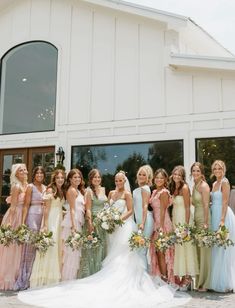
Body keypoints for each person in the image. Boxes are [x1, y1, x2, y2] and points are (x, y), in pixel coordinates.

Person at [18, 172, 191, 308]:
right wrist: (109, 220)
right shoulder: (112, 193)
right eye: (116, 180)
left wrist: (118, 220)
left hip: (125, 226)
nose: (118, 183)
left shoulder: (129, 194)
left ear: (125, 181)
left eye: (121, 180)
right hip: (113, 230)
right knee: (112, 253)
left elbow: (130, 211)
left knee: (127, 255)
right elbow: (107, 208)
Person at [29, 169, 66, 287]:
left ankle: (55, 275)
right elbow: (46, 208)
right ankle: (45, 277)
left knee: (57, 247)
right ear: (54, 179)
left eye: (62, 178)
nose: (60, 180)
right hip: (51, 220)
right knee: (52, 245)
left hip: (59, 219)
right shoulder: (51, 189)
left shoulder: (61, 190)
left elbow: (60, 206)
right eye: (58, 178)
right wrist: (45, 225)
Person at [15, 166, 46, 290]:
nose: (39, 174)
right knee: (29, 248)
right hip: (32, 216)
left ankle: (35, 278)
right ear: (34, 175)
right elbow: (26, 206)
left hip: (42, 217)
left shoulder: (45, 188)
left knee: (39, 248)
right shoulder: (30, 187)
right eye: (37, 172)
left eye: (41, 172)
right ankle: (24, 279)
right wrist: (23, 223)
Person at [169, 165, 198, 290]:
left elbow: (187, 208)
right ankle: (182, 276)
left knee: (186, 248)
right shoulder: (173, 187)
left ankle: (188, 278)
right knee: (179, 248)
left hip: (184, 219)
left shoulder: (185, 188)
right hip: (176, 218)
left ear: (182, 177)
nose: (177, 176)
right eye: (175, 174)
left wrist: (186, 227)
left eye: (179, 175)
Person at [0, 163, 28, 290]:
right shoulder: (16, 186)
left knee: (21, 248)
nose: (24, 172)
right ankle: (9, 278)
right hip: (16, 215)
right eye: (21, 171)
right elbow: (13, 207)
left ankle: (20, 276)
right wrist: (10, 223)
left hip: (24, 215)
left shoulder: (27, 185)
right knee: (13, 248)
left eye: (25, 170)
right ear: (16, 174)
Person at [210, 160, 235, 292]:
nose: (217, 171)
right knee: (216, 248)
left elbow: (225, 202)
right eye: (215, 168)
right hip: (214, 215)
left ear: (223, 170)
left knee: (224, 249)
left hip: (223, 216)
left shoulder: (225, 182)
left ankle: (226, 283)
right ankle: (217, 279)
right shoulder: (214, 183)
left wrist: (222, 221)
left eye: (219, 168)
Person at [78, 169, 108, 278]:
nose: (97, 179)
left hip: (102, 223)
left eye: (99, 177)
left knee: (101, 247)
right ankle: (91, 274)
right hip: (93, 222)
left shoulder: (103, 189)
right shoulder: (88, 191)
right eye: (95, 177)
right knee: (92, 248)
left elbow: (105, 206)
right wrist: (90, 223)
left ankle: (100, 274)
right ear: (91, 179)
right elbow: (88, 209)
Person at [149, 168, 175, 284]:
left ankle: (166, 279)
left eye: (161, 178)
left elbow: (164, 211)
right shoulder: (154, 191)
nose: (159, 179)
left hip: (163, 224)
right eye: (157, 177)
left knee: (162, 252)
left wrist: (160, 227)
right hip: (156, 224)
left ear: (165, 180)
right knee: (157, 252)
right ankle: (162, 277)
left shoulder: (164, 192)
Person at [61, 169, 85, 280]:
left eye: (79, 177)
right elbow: (72, 209)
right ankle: (68, 278)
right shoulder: (71, 191)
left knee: (75, 251)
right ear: (70, 179)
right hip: (72, 223)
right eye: (74, 177)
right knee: (71, 252)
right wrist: (74, 227)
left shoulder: (78, 190)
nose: (77, 179)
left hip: (77, 222)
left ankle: (72, 277)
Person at [191, 162, 211, 292]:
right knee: (198, 250)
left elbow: (205, 205)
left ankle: (205, 282)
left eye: (198, 171)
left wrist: (205, 223)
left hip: (203, 218)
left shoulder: (204, 186)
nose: (195, 173)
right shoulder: (194, 185)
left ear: (202, 172)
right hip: (195, 218)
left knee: (204, 251)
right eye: (193, 171)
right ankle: (198, 281)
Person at [133, 165, 154, 269]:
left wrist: (142, 223)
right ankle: (140, 276)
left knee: (142, 250)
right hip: (139, 221)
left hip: (145, 221)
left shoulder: (145, 188)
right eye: (139, 174)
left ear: (148, 177)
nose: (141, 176)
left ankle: (144, 278)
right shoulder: (137, 189)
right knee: (139, 250)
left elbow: (145, 206)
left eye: (144, 175)